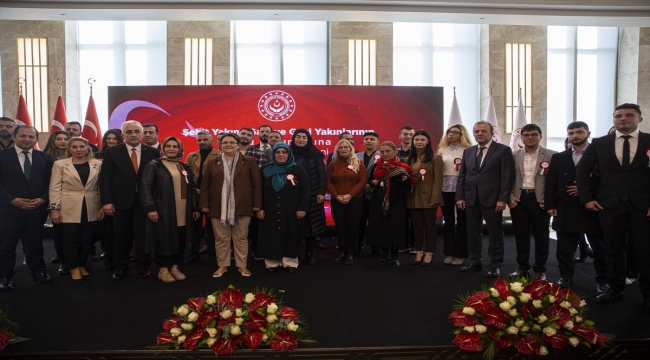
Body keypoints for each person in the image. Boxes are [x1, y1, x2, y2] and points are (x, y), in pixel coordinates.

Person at [576, 103, 650, 312]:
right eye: (618, 116)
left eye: (629, 115)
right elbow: (583, 171)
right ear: (613, 119)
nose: (623, 119)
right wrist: (587, 199)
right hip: (609, 205)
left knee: (644, 251)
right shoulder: (600, 143)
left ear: (639, 119)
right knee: (612, 248)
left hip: (642, 206)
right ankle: (614, 288)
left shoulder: (649, 141)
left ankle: (648, 293)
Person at [545, 121, 607, 293]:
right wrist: (550, 205)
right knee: (564, 247)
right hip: (565, 207)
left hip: (592, 207)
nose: (575, 136)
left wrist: (585, 190)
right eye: (571, 133)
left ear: (588, 133)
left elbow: (607, 182)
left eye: (579, 132)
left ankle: (602, 280)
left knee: (599, 247)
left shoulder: (600, 156)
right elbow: (551, 183)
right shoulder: (559, 157)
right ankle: (566, 276)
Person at [100, 120, 160, 280]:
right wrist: (106, 201)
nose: (133, 134)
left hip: (144, 202)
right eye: (129, 132)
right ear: (123, 135)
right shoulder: (112, 152)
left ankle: (143, 266)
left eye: (136, 131)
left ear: (142, 134)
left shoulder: (152, 152)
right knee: (121, 236)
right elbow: (105, 178)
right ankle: (120, 266)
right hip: (120, 202)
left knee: (143, 236)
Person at [456, 121, 515, 278]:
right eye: (477, 131)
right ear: (473, 134)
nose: (480, 134)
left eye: (483, 131)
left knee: (495, 233)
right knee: (473, 233)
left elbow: (507, 176)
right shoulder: (468, 151)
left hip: (493, 199)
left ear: (491, 133)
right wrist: (460, 196)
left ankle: (495, 265)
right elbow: (462, 176)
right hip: (470, 199)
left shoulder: (503, 150)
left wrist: (503, 199)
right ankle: (475, 261)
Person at [200, 133, 262, 278]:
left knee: (240, 237)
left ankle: (242, 265)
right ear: (220, 145)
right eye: (225, 142)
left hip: (243, 205)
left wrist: (257, 204)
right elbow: (205, 185)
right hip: (217, 206)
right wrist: (203, 203)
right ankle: (222, 265)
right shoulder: (212, 162)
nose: (228, 144)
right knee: (221, 238)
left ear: (238, 144)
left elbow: (256, 184)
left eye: (232, 142)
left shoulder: (249, 161)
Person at [0, 125, 54, 290]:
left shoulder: (45, 158)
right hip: (9, 209)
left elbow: (51, 184)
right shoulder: (2, 156)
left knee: (35, 243)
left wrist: (43, 200)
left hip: (36, 208)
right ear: (14, 137)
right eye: (23, 136)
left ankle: (38, 271)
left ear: (36, 140)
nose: (27, 139)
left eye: (31, 137)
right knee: (6, 244)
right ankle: (4, 276)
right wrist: (12, 200)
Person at [141, 137, 199, 283]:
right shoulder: (154, 165)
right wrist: (151, 208)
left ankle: (174, 268)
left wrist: (194, 207)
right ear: (163, 148)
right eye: (168, 146)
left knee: (180, 238)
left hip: (182, 211)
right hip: (163, 211)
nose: (172, 149)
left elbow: (190, 189)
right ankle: (163, 270)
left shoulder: (184, 167)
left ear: (180, 149)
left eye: (175, 146)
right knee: (163, 239)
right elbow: (145, 188)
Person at [48, 137, 103, 284]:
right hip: (68, 207)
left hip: (91, 206)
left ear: (87, 148)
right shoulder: (60, 164)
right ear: (69, 149)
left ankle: (81, 265)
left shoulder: (97, 164)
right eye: (74, 147)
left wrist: (102, 205)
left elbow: (101, 187)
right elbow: (54, 188)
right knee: (70, 240)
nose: (78, 150)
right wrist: (54, 209)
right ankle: (73, 267)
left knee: (86, 240)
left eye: (81, 146)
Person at [508, 124, 556, 281]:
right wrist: (510, 196)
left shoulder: (552, 155)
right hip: (519, 199)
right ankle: (522, 268)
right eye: (526, 135)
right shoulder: (513, 155)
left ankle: (540, 269)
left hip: (540, 200)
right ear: (521, 137)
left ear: (540, 137)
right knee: (521, 236)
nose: (530, 137)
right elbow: (506, 179)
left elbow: (555, 182)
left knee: (541, 236)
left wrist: (549, 201)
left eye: (534, 134)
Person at [257, 142, 310, 273]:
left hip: (292, 210)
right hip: (269, 210)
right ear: (273, 154)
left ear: (289, 154)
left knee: (291, 234)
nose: (281, 155)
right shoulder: (264, 170)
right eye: (277, 152)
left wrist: (302, 208)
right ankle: (272, 262)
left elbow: (305, 190)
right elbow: (258, 191)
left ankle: (290, 262)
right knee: (271, 235)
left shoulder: (298, 169)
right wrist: (260, 208)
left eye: (284, 152)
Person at [368, 141, 414, 266]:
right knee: (382, 229)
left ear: (394, 151)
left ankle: (394, 257)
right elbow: (370, 180)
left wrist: (398, 195)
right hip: (379, 201)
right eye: (382, 152)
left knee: (396, 229)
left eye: (388, 151)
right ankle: (384, 256)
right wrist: (373, 183)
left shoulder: (402, 167)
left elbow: (409, 186)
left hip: (397, 203)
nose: (385, 154)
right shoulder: (377, 166)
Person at [326, 138, 367, 264]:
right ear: (337, 150)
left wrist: (350, 195)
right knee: (340, 227)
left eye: (346, 147)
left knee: (353, 227)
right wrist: (337, 196)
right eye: (341, 147)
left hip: (355, 200)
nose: (343, 149)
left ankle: (351, 253)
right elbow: (329, 182)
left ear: (351, 149)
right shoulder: (333, 164)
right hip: (337, 200)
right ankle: (342, 252)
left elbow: (362, 181)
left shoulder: (358, 163)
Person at [184, 130, 221, 265]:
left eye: (205, 140)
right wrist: (194, 191)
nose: (202, 142)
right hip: (195, 197)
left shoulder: (220, 156)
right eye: (199, 140)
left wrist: (206, 191)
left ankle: (213, 254)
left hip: (212, 198)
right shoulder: (191, 156)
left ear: (212, 141)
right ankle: (193, 253)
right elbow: (186, 177)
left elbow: (221, 180)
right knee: (194, 227)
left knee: (213, 228)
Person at [406, 130, 443, 266]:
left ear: (427, 141)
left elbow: (438, 180)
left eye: (422, 140)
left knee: (429, 226)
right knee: (416, 227)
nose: (419, 142)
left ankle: (429, 252)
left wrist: (435, 197)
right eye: (417, 140)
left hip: (429, 198)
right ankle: (419, 251)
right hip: (412, 197)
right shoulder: (409, 159)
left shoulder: (436, 158)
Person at [290, 129, 327, 264]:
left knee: (312, 226)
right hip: (293, 195)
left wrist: (321, 192)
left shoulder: (315, 154)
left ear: (309, 139)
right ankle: (296, 255)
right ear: (293, 138)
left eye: (304, 137)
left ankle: (309, 254)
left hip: (313, 196)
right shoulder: (288, 153)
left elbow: (322, 175)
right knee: (296, 226)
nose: (300, 139)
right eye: (298, 137)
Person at [438, 124, 472, 266]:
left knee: (463, 222)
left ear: (462, 134)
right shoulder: (442, 150)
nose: (451, 134)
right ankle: (449, 252)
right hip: (446, 188)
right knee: (448, 222)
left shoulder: (469, 150)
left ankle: (460, 254)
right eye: (449, 132)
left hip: (463, 188)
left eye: (455, 132)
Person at [42, 130, 69, 272]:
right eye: (59, 139)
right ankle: (62, 259)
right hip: (55, 198)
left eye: (66, 139)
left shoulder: (77, 155)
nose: (63, 141)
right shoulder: (44, 158)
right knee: (59, 231)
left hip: (72, 199)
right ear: (53, 140)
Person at [96, 129, 123, 270]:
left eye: (115, 138)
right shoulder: (96, 156)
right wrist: (104, 201)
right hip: (101, 199)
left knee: (116, 231)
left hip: (119, 199)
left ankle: (115, 256)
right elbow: (103, 180)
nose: (111, 141)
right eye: (109, 138)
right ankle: (107, 254)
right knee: (105, 230)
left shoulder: (123, 155)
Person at [356, 131, 381, 258]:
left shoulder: (382, 156)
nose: (369, 141)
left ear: (378, 142)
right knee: (359, 223)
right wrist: (362, 186)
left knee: (375, 223)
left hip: (375, 195)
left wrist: (371, 186)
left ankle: (375, 249)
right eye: (367, 139)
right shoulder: (356, 156)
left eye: (372, 139)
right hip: (359, 195)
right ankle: (357, 248)